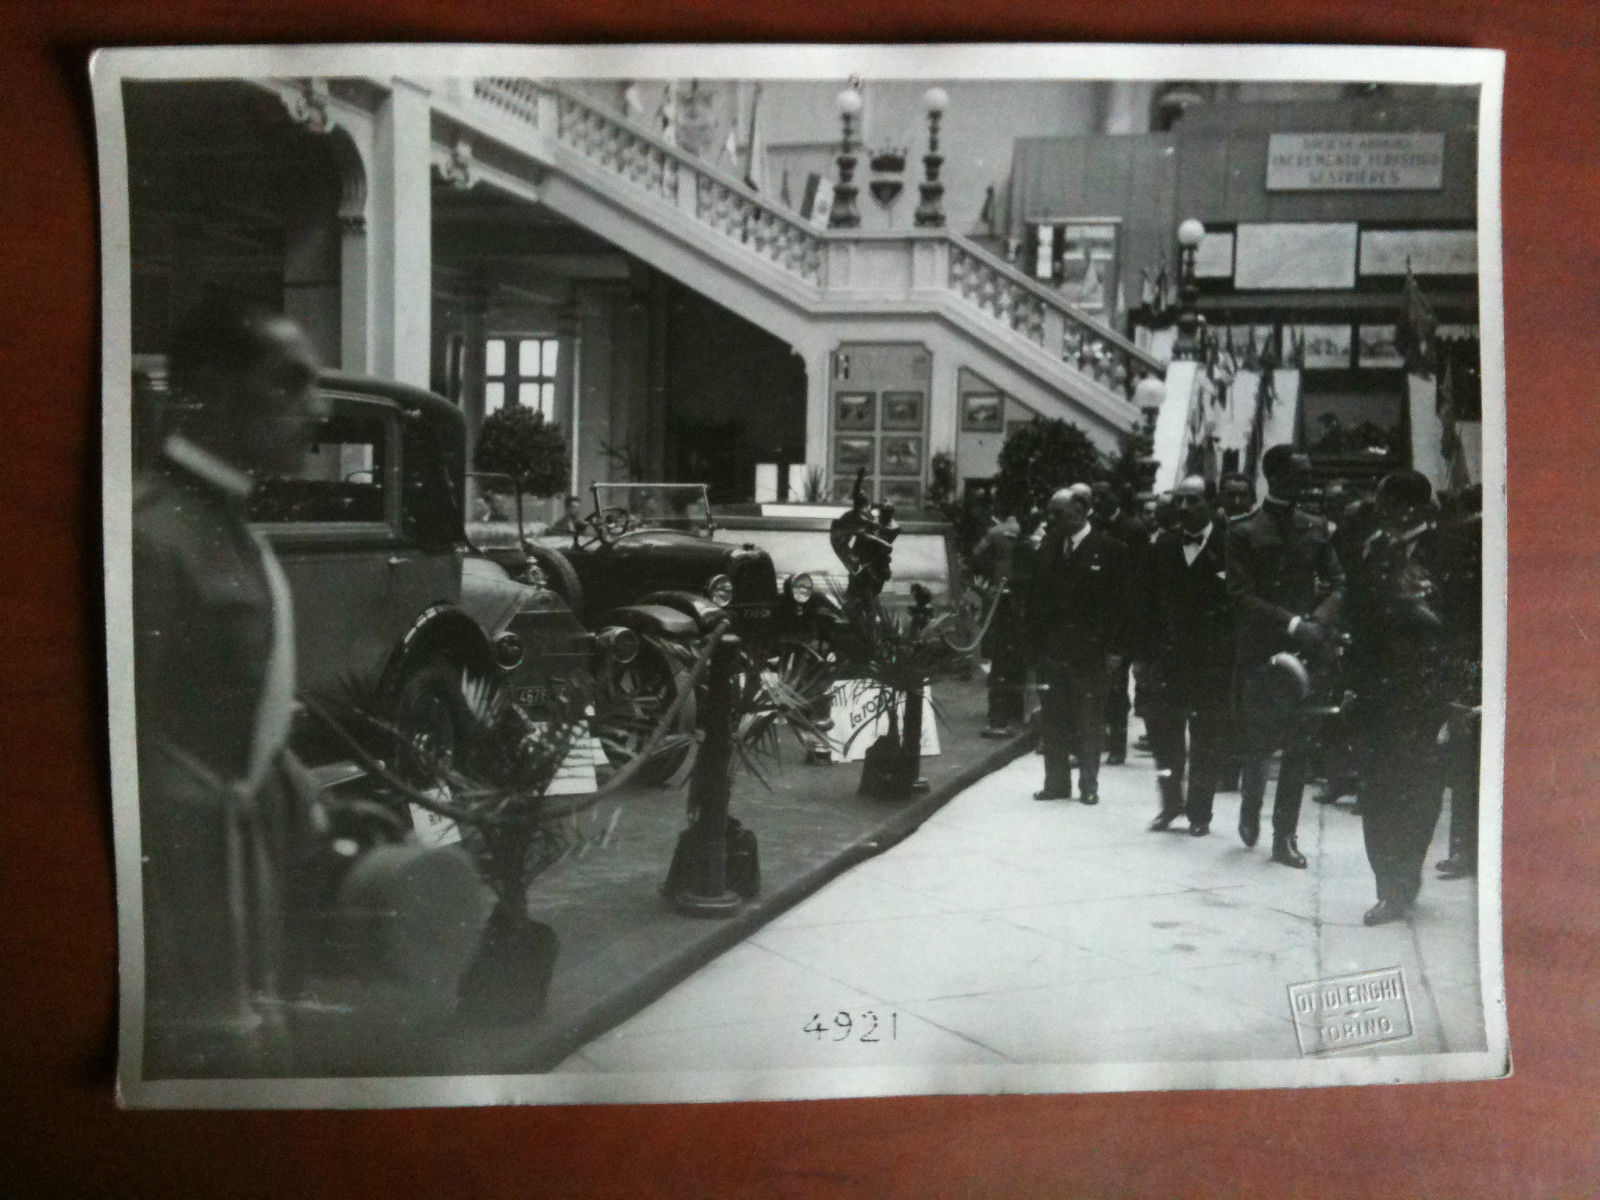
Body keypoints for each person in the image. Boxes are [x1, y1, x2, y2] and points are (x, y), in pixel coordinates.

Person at [134, 299, 329, 1075]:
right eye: (290, 384)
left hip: (239, 889)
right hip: (183, 927)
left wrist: (280, 776)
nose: (316, 409)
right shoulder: (148, 536)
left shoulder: (224, 521)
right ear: (211, 390)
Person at [1226, 445, 1344, 869]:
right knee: (1257, 742)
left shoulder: (1314, 527)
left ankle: (1284, 835)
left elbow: (1337, 581)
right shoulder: (1242, 531)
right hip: (1261, 650)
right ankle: (1250, 806)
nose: (1307, 482)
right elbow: (1240, 596)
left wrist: (1317, 620)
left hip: (1305, 652)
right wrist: (1294, 624)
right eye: (1300, 474)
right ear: (1274, 477)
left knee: (1299, 745)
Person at [1343, 470, 1453, 924]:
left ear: (1409, 509)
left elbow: (1462, 626)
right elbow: (1359, 621)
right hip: (1378, 688)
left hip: (1426, 690)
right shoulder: (1373, 553)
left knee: (1420, 790)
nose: (1382, 516)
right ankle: (1389, 884)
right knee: (1378, 788)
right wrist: (1351, 682)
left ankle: (1404, 879)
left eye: (1387, 508)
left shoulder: (1448, 552)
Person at [1138, 476, 1235, 836]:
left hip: (1211, 662)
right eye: (1179, 501)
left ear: (1211, 504)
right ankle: (1170, 805)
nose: (1183, 508)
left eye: (1192, 501)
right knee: (1164, 735)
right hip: (1168, 658)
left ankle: (1199, 813)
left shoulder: (1229, 546)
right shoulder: (1163, 545)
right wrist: (1143, 656)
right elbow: (1146, 605)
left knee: (1206, 738)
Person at [1028, 484, 1130, 805]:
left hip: (1092, 651)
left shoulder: (1110, 549)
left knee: (1089, 720)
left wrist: (1116, 650)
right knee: (1053, 718)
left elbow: (1121, 606)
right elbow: (1037, 599)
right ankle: (1056, 782)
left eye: (1057, 513)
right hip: (1054, 650)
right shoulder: (1049, 547)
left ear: (1081, 509)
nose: (1051, 519)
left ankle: (1089, 785)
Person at [1092, 481, 1148, 765]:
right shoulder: (1095, 525)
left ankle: (1117, 744)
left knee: (1117, 682)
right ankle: (1102, 738)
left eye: (1104, 495)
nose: (1098, 500)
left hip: (1124, 617)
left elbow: (1137, 579)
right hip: (1100, 614)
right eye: (1095, 496)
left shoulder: (1133, 529)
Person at [972, 507, 1030, 738]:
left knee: (1000, 657)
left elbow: (976, 555)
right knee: (1016, 655)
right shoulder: (1030, 535)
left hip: (998, 598)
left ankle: (998, 713)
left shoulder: (994, 532)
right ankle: (1016, 708)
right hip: (1022, 600)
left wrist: (986, 580)